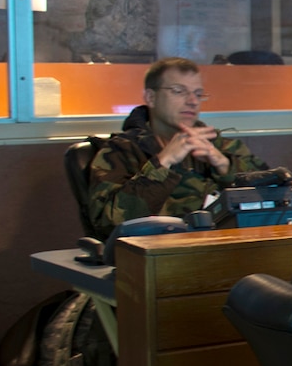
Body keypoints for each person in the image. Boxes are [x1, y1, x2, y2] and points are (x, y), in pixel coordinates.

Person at [86, 57, 270, 237]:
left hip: (225, 252)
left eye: (198, 94)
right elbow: (108, 226)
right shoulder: (121, 151)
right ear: (151, 97)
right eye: (179, 91)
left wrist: (225, 167)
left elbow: (276, 199)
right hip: (157, 257)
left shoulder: (219, 146)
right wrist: (162, 163)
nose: (192, 101)